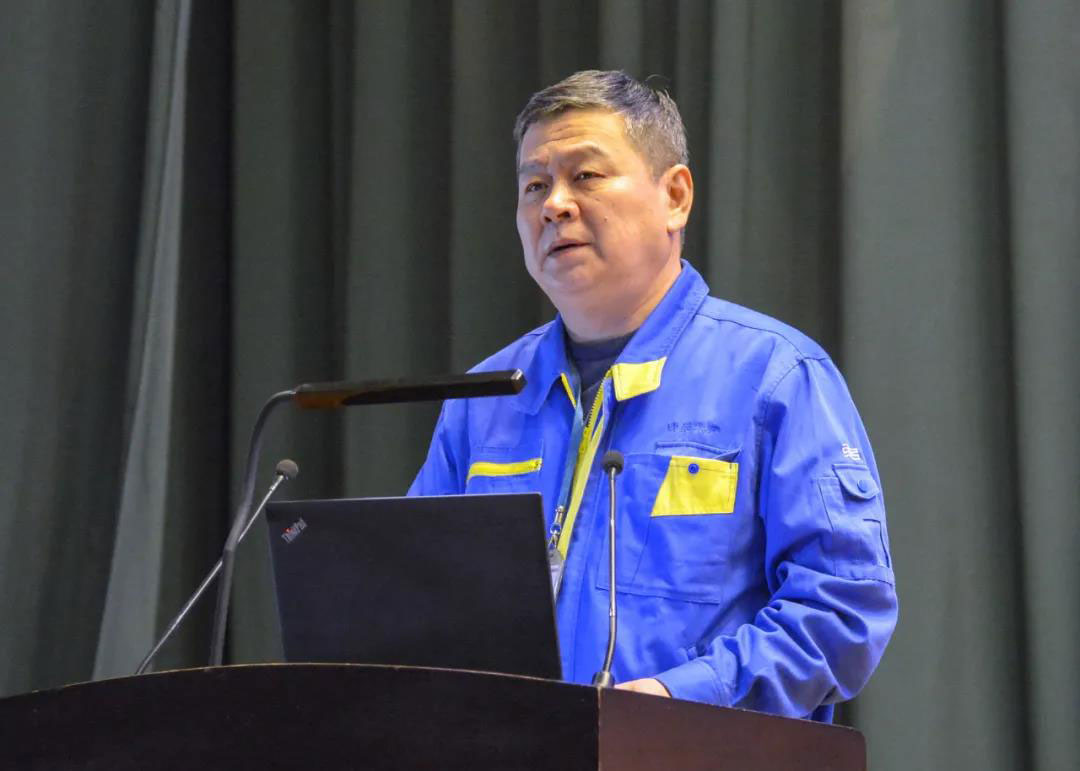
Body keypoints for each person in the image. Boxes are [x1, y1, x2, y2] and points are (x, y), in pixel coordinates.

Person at [409, 70, 897, 721]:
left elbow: (843, 609)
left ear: (675, 197)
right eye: (534, 186)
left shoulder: (775, 377)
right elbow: (416, 605)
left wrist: (682, 697)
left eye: (585, 176)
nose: (554, 205)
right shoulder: (484, 399)